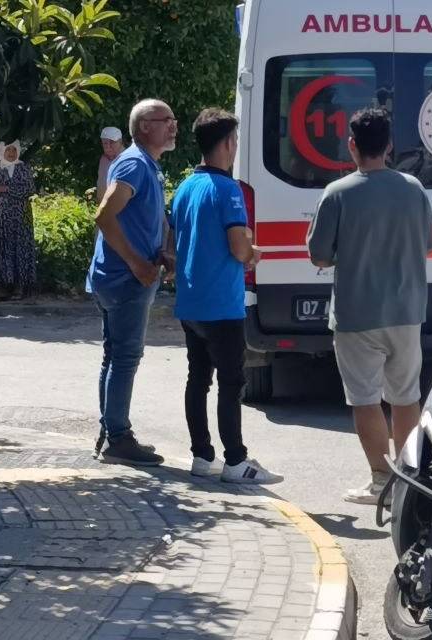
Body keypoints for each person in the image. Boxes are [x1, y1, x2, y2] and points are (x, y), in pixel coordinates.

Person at [306, 108, 432, 504]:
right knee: (405, 395)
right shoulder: (414, 188)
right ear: (390, 146)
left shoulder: (338, 193)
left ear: (352, 145)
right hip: (407, 311)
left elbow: (319, 256)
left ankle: (381, 480)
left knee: (364, 398)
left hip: (356, 315)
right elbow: (429, 245)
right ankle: (411, 478)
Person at [168, 108, 280, 484]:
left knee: (197, 379)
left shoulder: (185, 187)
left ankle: (202, 455)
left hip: (191, 300)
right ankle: (236, 461)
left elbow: (174, 242)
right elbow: (237, 247)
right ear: (229, 143)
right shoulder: (228, 189)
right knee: (231, 383)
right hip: (222, 303)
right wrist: (252, 253)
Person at [88, 99, 179, 466]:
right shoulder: (133, 163)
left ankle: (112, 432)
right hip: (124, 278)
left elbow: (140, 220)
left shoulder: (146, 165)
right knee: (125, 357)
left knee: (116, 355)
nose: (174, 126)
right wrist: (138, 264)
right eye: (165, 120)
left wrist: (161, 253)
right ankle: (118, 438)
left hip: (121, 275)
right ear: (144, 127)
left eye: (174, 120)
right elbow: (104, 215)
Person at [0, 141, 37, 301]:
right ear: (2, 152)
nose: (11, 153)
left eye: (14, 150)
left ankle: (20, 287)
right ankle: (1, 287)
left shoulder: (23, 168)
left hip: (19, 217)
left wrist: (5, 189)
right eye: (8, 150)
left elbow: (29, 189)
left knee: (19, 247)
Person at [97, 127, 125, 205]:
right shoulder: (103, 159)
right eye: (105, 143)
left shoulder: (128, 159)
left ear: (120, 141)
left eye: (112, 142)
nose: (108, 146)